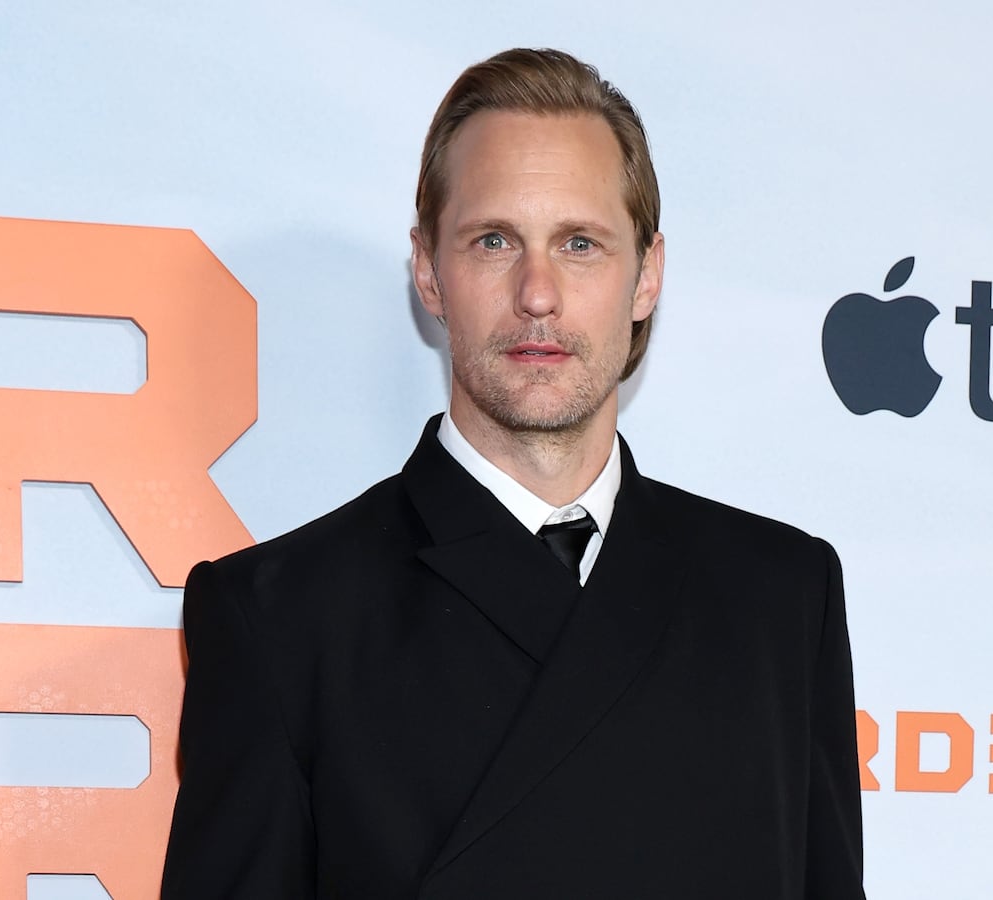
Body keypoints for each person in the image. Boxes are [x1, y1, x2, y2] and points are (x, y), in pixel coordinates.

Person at [161, 47, 866, 899]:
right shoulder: (279, 619)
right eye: (494, 240)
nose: (538, 292)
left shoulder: (782, 599)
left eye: (580, 243)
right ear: (429, 270)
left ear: (646, 277)